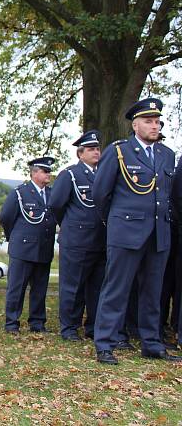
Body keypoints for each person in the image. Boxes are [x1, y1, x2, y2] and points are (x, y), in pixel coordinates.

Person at [92, 98, 181, 364]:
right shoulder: (120, 151)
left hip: (158, 232)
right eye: (148, 121)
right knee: (116, 289)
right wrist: (116, 222)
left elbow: (171, 196)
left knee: (153, 291)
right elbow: (100, 193)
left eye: (157, 122)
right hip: (126, 231)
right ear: (135, 124)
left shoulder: (167, 154)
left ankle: (151, 342)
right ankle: (105, 343)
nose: (154, 126)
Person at [48, 131, 106, 341]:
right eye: (91, 149)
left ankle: (92, 327)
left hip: (101, 240)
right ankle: (69, 328)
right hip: (77, 241)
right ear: (80, 154)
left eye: (97, 148)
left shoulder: (104, 173)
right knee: (73, 286)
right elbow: (56, 205)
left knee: (97, 287)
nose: (96, 152)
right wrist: (70, 225)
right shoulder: (70, 175)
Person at [0, 157, 57, 334]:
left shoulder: (52, 193)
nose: (48, 174)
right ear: (34, 173)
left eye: (49, 171)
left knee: (40, 289)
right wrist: (14, 237)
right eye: (44, 171)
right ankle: (11, 323)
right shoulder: (20, 192)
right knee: (17, 288)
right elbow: (6, 218)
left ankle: (37, 323)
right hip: (23, 249)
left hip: (44, 247)